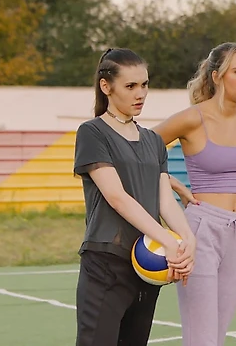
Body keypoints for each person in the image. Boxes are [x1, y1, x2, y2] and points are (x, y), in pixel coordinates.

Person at [73, 48, 196, 346]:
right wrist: (167, 241)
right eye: (130, 86)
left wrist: (187, 240)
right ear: (106, 86)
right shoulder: (92, 132)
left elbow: (164, 199)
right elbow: (117, 197)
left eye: (144, 84)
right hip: (107, 262)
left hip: (146, 265)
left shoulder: (153, 140)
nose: (140, 93)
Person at [152, 42, 236, 346]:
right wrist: (174, 184)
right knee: (201, 337)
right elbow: (139, 149)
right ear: (216, 76)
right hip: (201, 229)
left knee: (217, 334)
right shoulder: (192, 118)